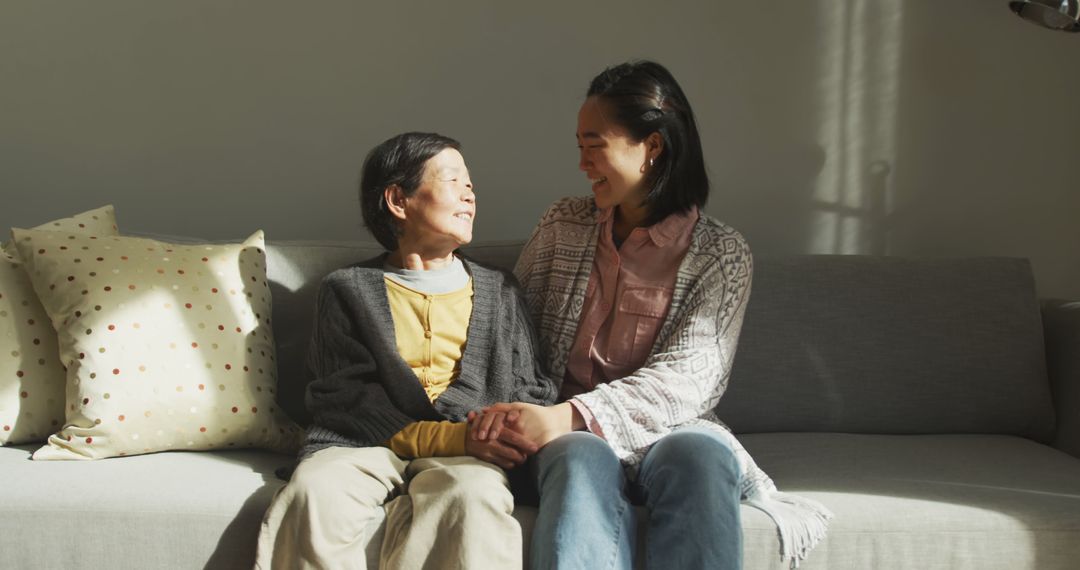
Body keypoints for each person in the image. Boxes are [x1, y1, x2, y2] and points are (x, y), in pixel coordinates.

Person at [475, 61, 832, 569]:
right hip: (566, 436)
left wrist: (568, 415)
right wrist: (516, 416)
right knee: (580, 457)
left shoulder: (721, 254)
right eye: (578, 146)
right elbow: (515, 333)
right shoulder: (563, 225)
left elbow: (690, 381)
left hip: (667, 429)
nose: (582, 163)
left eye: (594, 145)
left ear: (653, 146)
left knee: (703, 458)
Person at [256, 132, 556, 570]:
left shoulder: (500, 290)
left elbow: (532, 388)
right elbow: (344, 399)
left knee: (472, 498)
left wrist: (496, 429)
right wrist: (451, 435)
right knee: (312, 491)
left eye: (471, 185)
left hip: (468, 455)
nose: (470, 195)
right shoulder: (346, 290)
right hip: (363, 445)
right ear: (398, 200)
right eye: (454, 181)